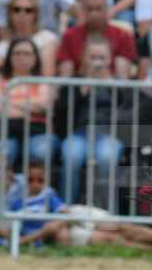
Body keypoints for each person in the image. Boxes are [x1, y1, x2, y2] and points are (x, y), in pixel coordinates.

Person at [54, 36, 134, 203]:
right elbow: (62, 111)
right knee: (71, 155)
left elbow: (129, 110)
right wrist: (83, 88)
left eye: (101, 58)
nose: (97, 62)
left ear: (110, 59)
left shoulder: (119, 83)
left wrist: (110, 84)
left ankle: (105, 210)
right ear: (84, 58)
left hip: (109, 135)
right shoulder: (74, 81)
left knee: (107, 157)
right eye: (93, 57)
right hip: (79, 134)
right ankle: (66, 208)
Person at [0, 35, 56, 165]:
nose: (22, 57)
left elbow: (44, 105)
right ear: (9, 57)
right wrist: (29, 108)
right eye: (17, 53)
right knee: (0, 154)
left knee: (39, 152)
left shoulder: (42, 81)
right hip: (4, 132)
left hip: (38, 132)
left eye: (27, 54)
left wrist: (8, 103)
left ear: (35, 58)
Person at [59, 0, 136, 76]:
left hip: (112, 87)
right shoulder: (69, 36)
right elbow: (65, 78)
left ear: (107, 9)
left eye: (98, 9)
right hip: (80, 86)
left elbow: (123, 80)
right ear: (82, 10)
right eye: (89, 9)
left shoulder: (123, 36)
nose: (94, 14)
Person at [0, 0, 60, 73]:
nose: (22, 14)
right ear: (9, 14)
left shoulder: (48, 39)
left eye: (28, 10)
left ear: (36, 14)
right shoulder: (1, 47)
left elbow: (47, 76)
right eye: (16, 9)